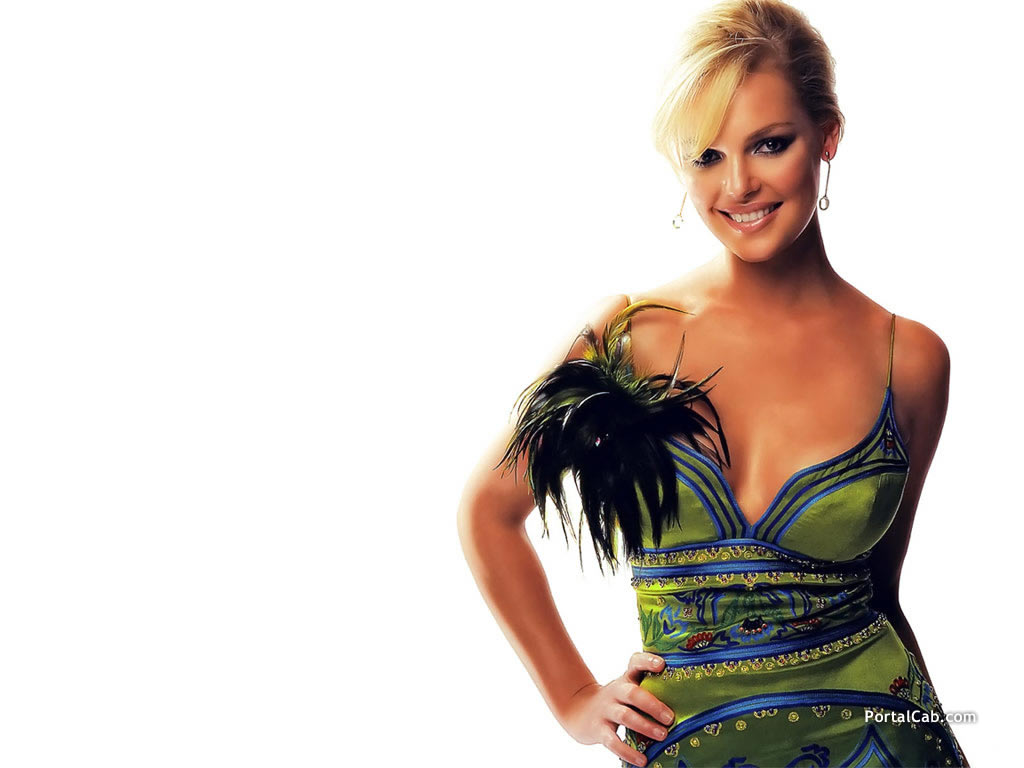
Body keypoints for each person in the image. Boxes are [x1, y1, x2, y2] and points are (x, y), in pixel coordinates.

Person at [456, 0, 969, 765]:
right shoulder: (626, 337)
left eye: (769, 144)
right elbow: (488, 510)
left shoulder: (912, 359)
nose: (739, 184)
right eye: (705, 155)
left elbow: (881, 591)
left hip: (884, 742)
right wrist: (572, 696)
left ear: (827, 135)